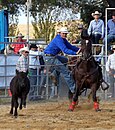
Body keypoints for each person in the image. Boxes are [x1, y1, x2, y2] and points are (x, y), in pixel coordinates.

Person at [44, 27, 80, 94]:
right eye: (63, 33)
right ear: (60, 33)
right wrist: (75, 53)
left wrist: (78, 49)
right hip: (50, 58)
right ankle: (74, 89)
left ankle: (54, 74)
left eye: (66, 34)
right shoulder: (59, 40)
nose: (65, 35)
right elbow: (65, 50)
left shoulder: (62, 39)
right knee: (66, 72)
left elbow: (70, 46)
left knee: (65, 60)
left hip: (51, 56)